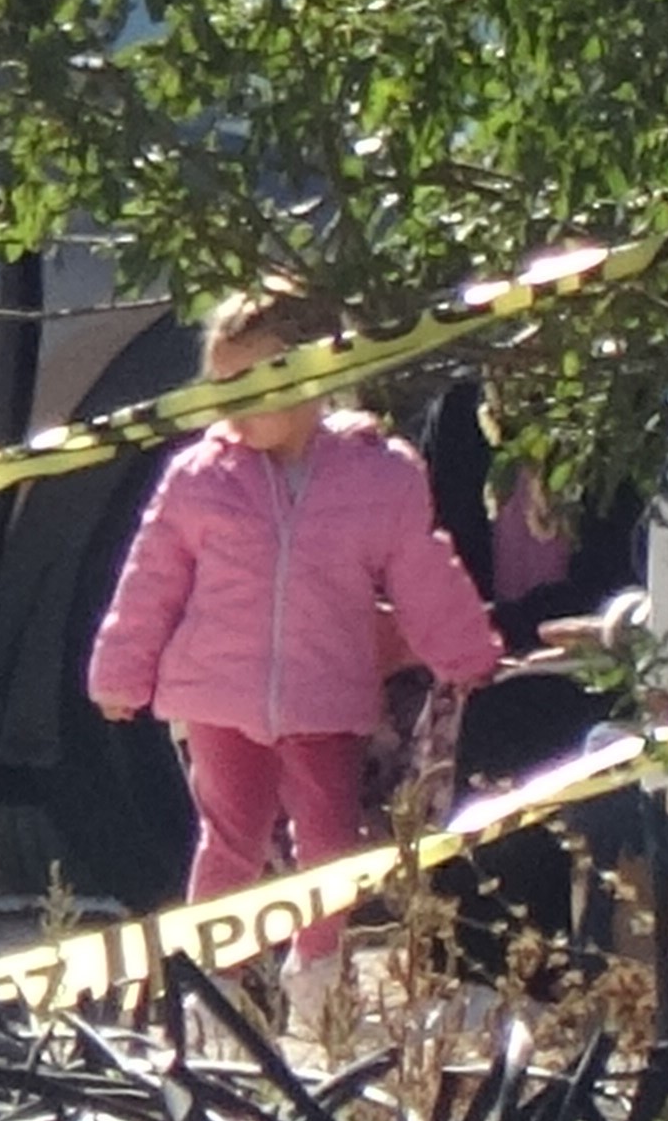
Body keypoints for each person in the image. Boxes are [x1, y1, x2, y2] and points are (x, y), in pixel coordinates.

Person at [87, 293, 504, 1012]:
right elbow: (150, 577)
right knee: (230, 838)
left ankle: (316, 974)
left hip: (325, 691)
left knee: (328, 839)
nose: (235, 409)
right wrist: (120, 670)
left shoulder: (378, 476)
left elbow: (421, 569)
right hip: (219, 694)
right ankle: (216, 984)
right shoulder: (200, 477)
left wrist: (464, 653)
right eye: (223, 390)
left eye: (253, 386)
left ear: (314, 372)